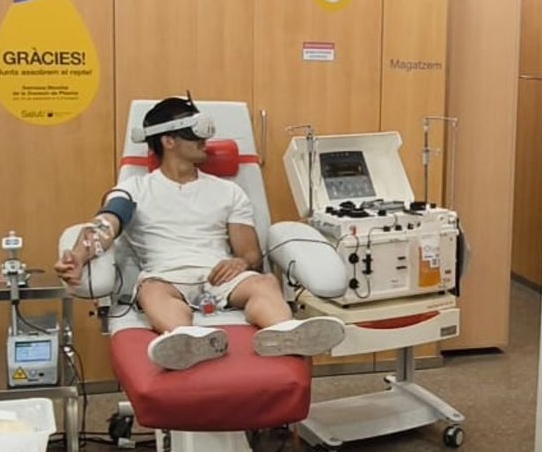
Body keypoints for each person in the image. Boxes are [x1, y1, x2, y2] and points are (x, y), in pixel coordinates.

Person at [54, 95, 345, 370]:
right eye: (194, 134)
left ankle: (285, 332)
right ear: (168, 141)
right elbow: (104, 225)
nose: (204, 141)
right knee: (151, 292)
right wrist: (79, 256)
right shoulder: (134, 190)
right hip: (166, 277)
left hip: (218, 276)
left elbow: (250, 253)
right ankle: (188, 338)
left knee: (264, 283)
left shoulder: (228, 191)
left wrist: (240, 262)